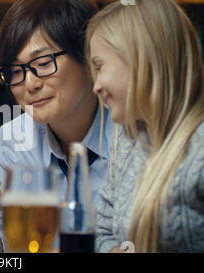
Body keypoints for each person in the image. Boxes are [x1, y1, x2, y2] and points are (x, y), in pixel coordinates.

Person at [0, 0, 114, 251]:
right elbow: (1, 246)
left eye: (43, 63)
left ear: (89, 59)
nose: (30, 84)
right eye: (14, 71)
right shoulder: (11, 143)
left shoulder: (136, 135)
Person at [87, 0, 204, 252]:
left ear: (140, 57)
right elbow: (104, 230)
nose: (96, 86)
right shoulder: (129, 135)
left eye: (100, 67)